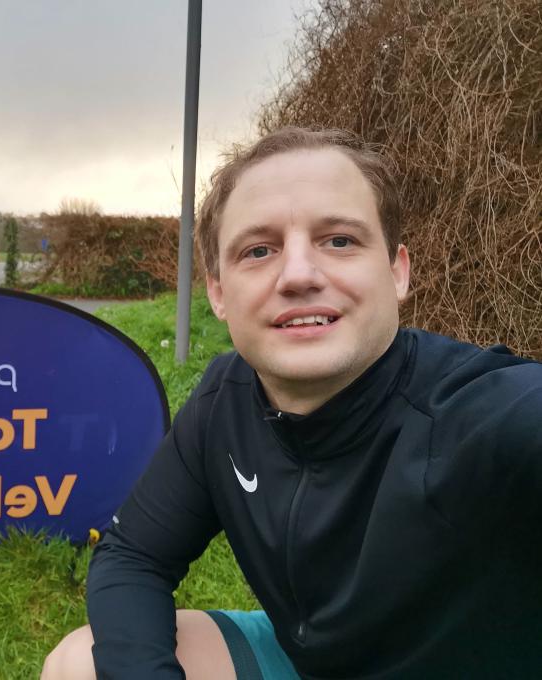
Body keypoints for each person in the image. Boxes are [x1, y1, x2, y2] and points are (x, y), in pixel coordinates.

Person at [42, 128, 542, 679]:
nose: (299, 274)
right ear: (218, 293)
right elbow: (133, 556)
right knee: (78, 665)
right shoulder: (225, 398)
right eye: (259, 250)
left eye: (339, 241)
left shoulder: (483, 411)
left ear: (397, 272)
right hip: (311, 662)